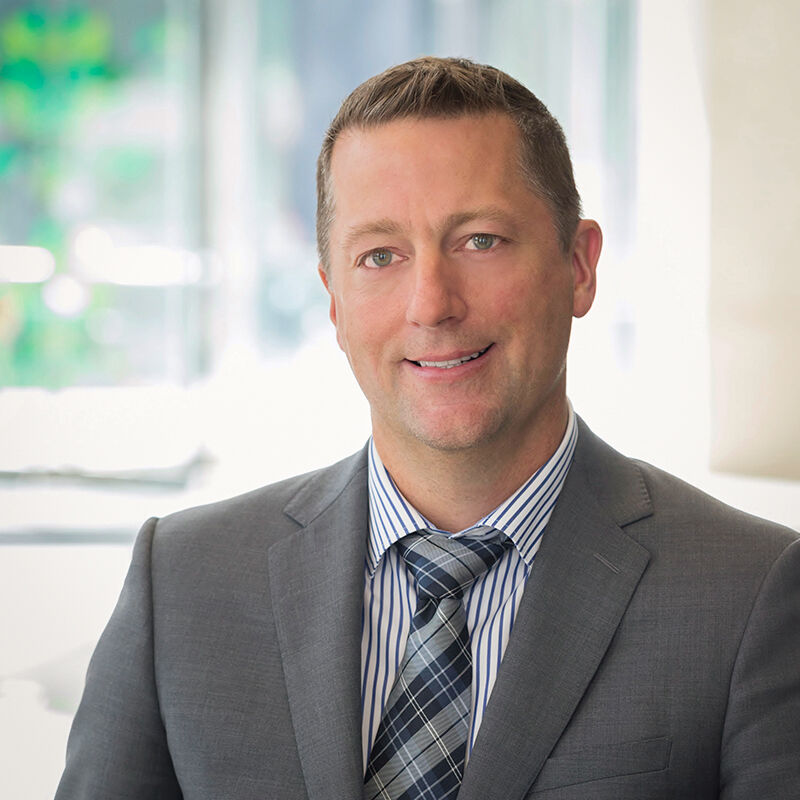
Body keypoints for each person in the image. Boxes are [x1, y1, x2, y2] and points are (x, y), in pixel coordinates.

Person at [56, 57, 799, 800]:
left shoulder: (749, 594)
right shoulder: (181, 583)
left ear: (579, 266)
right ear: (334, 301)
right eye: (380, 256)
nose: (432, 304)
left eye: (480, 240)